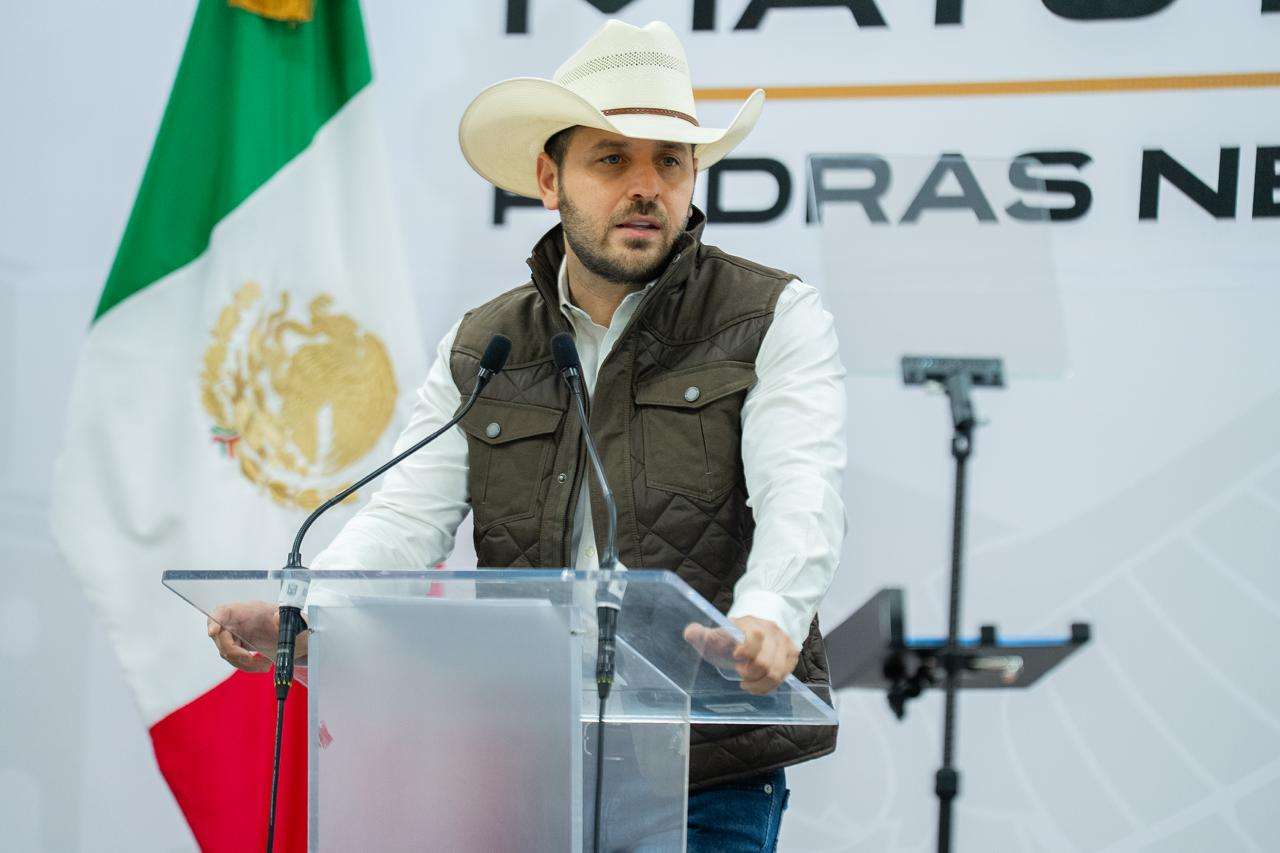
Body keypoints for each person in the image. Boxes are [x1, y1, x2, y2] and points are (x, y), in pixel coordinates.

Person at [209, 19, 846, 851]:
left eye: (670, 161)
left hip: (704, 772)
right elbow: (404, 518)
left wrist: (768, 616)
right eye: (611, 159)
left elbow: (802, 492)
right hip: (524, 761)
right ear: (551, 178)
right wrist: (305, 609)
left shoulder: (770, 315)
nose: (646, 186)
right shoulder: (486, 342)